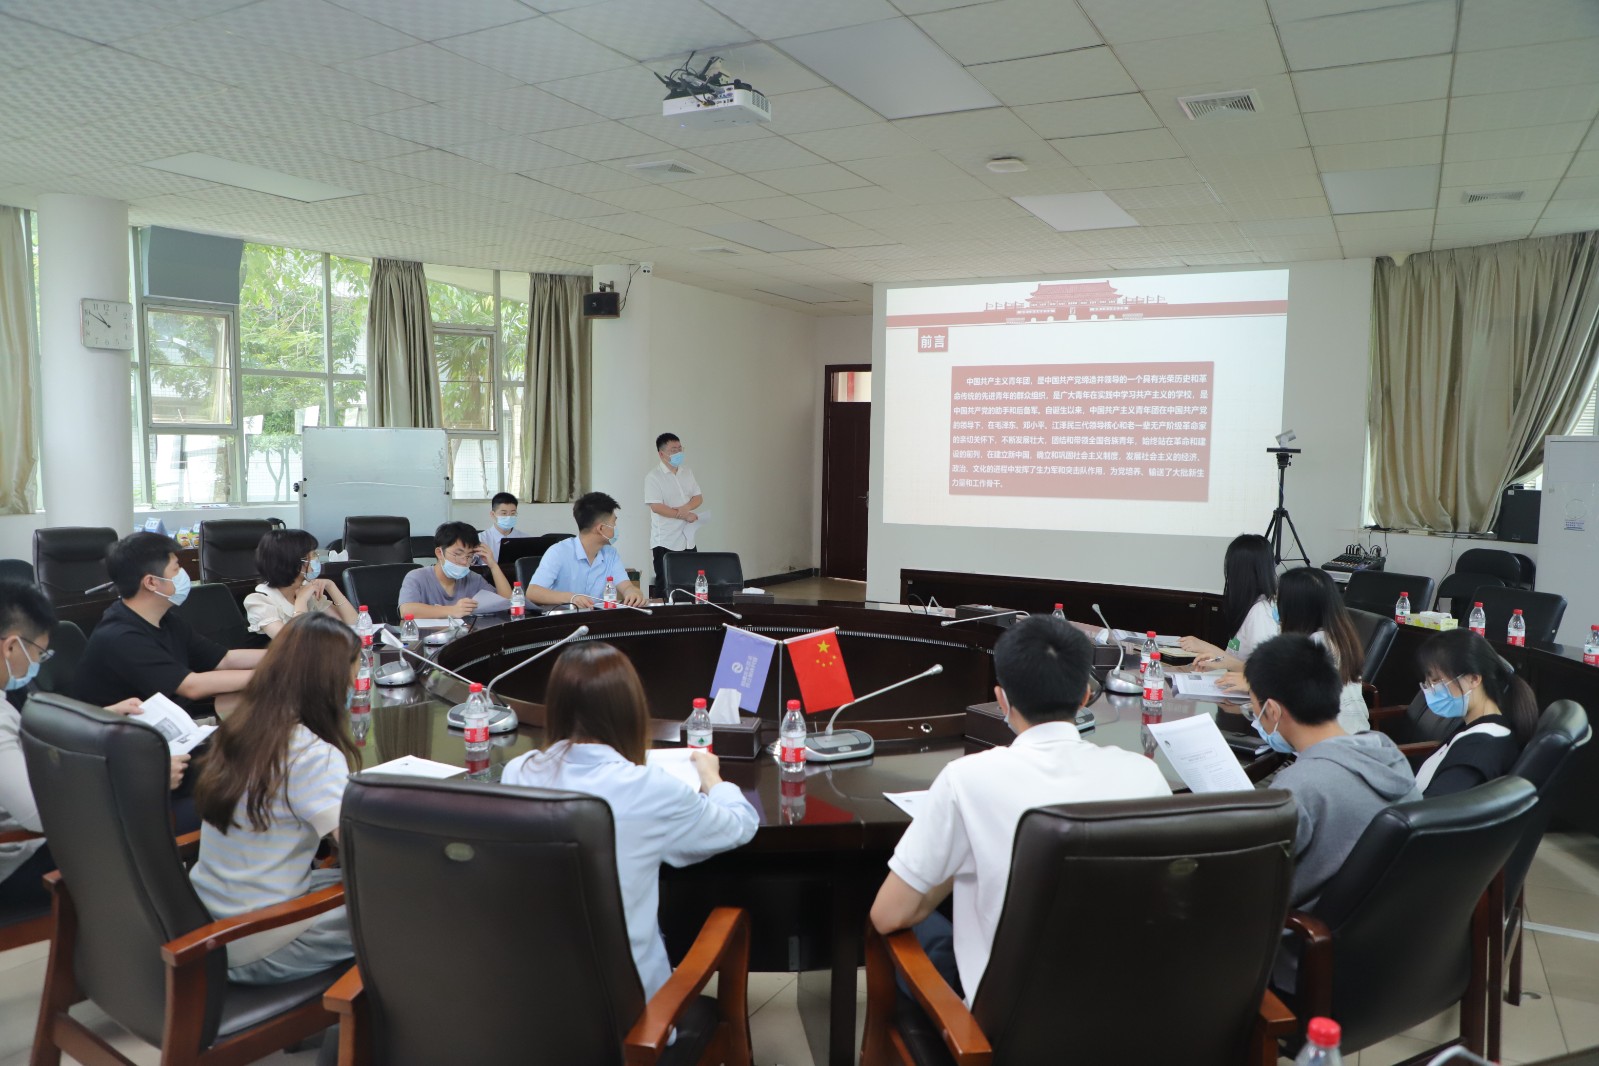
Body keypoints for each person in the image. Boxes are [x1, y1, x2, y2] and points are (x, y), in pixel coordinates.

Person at [869, 617, 1171, 1004]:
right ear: (1084, 696)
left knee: (912, 920)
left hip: (1005, 1024)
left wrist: (956, 866)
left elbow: (887, 915)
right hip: (1126, 1009)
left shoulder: (967, 780)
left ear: (1002, 700)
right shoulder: (1144, 775)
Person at [501, 642, 756, 1000]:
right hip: (636, 1018)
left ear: (555, 707)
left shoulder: (518, 772)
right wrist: (713, 779)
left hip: (536, 1005)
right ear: (630, 710)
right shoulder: (650, 788)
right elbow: (740, 824)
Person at [189, 613, 362, 984]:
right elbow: (361, 849)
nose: (355, 685)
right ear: (331, 681)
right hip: (255, 942)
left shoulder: (240, 725)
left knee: (340, 877)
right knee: (412, 906)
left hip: (208, 920)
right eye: (354, 674)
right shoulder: (311, 754)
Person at [0, 578, 189, 910]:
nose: (36, 665)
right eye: (39, 654)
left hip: (29, 830)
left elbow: (25, 738)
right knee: (162, 822)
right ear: (11, 647)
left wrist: (101, 716)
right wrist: (143, 777)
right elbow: (42, 813)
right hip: (17, 863)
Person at [1243, 634, 1419, 916]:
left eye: (1255, 710)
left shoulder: (1298, 788)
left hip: (1305, 933)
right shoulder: (1387, 753)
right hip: (1390, 925)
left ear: (1272, 710)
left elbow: (1251, 882)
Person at [74, 532, 265, 716]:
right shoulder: (120, 636)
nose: (183, 574)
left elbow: (224, 659)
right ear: (151, 582)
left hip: (171, 723)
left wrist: (280, 656)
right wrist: (272, 675)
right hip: (131, 733)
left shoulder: (165, 620)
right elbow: (191, 686)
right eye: (176, 569)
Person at [1412, 629, 1538, 797]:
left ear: (1473, 679)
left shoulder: (1481, 746)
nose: (1430, 690)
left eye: (1436, 681)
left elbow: (1435, 807)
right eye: (1428, 683)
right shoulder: (1475, 728)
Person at [1276, 566, 1370, 732]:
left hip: (1330, 739)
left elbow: (1286, 697)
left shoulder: (1315, 648)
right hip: (1350, 735)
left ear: (1295, 608)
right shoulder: (1338, 637)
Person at [1180, 533, 1280, 674]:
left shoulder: (1260, 612)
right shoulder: (1251, 606)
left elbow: (1264, 672)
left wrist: (1206, 647)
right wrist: (1211, 662)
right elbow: (1235, 661)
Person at [526, 491, 646, 608]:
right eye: (614, 523)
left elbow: (626, 586)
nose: (616, 527)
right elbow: (532, 593)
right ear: (601, 528)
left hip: (598, 618)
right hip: (565, 618)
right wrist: (571, 598)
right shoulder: (558, 552)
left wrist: (633, 593)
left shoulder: (611, 553)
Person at [242, 528, 357, 638]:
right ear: (293, 562)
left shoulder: (308, 590)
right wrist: (301, 600)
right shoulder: (259, 601)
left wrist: (331, 586)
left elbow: (353, 625)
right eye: (313, 555)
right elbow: (294, 641)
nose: (316, 560)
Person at [397, 521, 515, 620]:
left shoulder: (473, 578)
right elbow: (406, 610)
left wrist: (493, 565)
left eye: (469, 556)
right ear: (439, 553)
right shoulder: (417, 576)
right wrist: (453, 610)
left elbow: (506, 602)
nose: (464, 562)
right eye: (458, 554)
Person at [644, 433, 703, 595]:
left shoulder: (687, 472)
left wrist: (687, 507)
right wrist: (684, 514)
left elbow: (698, 497)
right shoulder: (653, 477)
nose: (678, 453)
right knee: (666, 584)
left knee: (691, 583)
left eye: (680, 448)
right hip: (666, 540)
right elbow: (656, 507)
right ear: (661, 454)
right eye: (673, 450)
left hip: (688, 538)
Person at [481, 491, 529, 558]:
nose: (509, 517)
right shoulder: (481, 539)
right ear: (493, 514)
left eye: (513, 513)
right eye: (504, 513)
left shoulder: (526, 539)